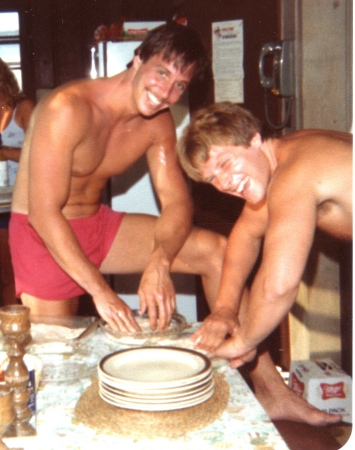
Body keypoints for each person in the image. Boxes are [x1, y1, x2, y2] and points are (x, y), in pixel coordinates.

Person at [9, 22, 226, 333]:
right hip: (42, 234)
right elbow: (43, 215)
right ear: (138, 58)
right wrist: (103, 292)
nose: (166, 93)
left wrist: (160, 261)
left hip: (97, 226)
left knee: (216, 251)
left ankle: (261, 378)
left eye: (180, 85)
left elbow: (177, 202)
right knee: (59, 352)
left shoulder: (156, 126)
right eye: (162, 72)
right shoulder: (68, 108)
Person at [177, 101, 351, 424]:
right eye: (213, 178)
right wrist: (226, 308)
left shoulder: (293, 174)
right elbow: (244, 237)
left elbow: (279, 286)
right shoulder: (283, 153)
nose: (224, 183)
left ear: (253, 140)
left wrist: (244, 341)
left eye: (226, 164)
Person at [0, 58, 35, 306]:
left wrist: (5, 152)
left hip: (19, 205)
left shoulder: (24, 108)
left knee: (13, 277)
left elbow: (44, 155)